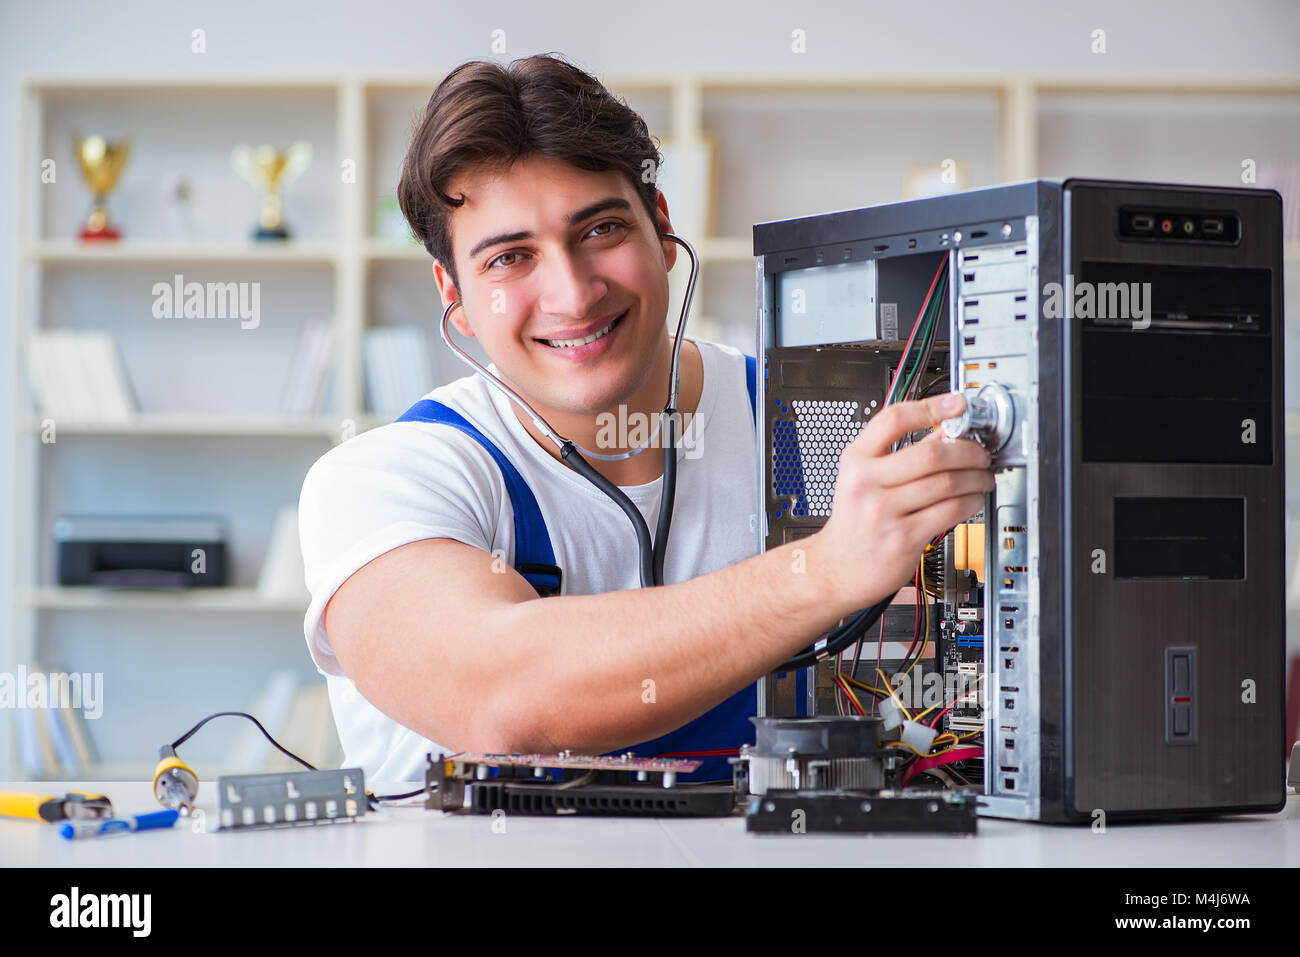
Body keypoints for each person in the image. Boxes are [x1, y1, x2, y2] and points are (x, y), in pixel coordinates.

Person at [297, 53, 993, 783]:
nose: (572, 292)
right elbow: (503, 699)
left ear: (661, 227)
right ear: (457, 298)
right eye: (509, 258)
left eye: (599, 230)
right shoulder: (381, 482)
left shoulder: (825, 426)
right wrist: (823, 570)